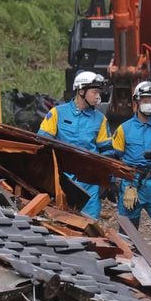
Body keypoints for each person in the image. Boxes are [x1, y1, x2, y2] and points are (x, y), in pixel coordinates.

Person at [37, 71, 113, 218]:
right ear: (81, 90)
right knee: (60, 224)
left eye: (100, 92)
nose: (99, 96)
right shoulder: (57, 113)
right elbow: (42, 143)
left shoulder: (100, 120)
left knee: (89, 228)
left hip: (90, 184)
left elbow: (107, 152)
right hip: (61, 182)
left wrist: (107, 179)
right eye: (95, 91)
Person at [111, 80, 151, 234]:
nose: (149, 103)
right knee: (127, 234)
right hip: (131, 184)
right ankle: (127, 258)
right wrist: (113, 182)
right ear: (137, 101)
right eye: (145, 99)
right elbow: (114, 157)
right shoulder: (124, 129)